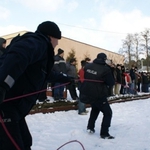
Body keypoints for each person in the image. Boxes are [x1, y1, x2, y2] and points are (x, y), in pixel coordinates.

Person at [0, 21, 73, 150]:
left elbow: (45, 74)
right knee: (14, 146)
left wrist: (65, 78)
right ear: (51, 37)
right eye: (57, 40)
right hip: (5, 106)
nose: (57, 44)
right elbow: (17, 57)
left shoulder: (41, 52)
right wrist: (2, 85)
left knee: (26, 141)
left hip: (16, 108)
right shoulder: (37, 42)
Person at [80, 53, 115, 139]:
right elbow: (111, 82)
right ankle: (104, 133)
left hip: (88, 92)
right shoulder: (105, 69)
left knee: (95, 109)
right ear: (104, 59)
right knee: (108, 113)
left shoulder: (88, 66)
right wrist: (111, 70)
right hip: (99, 94)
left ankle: (90, 127)